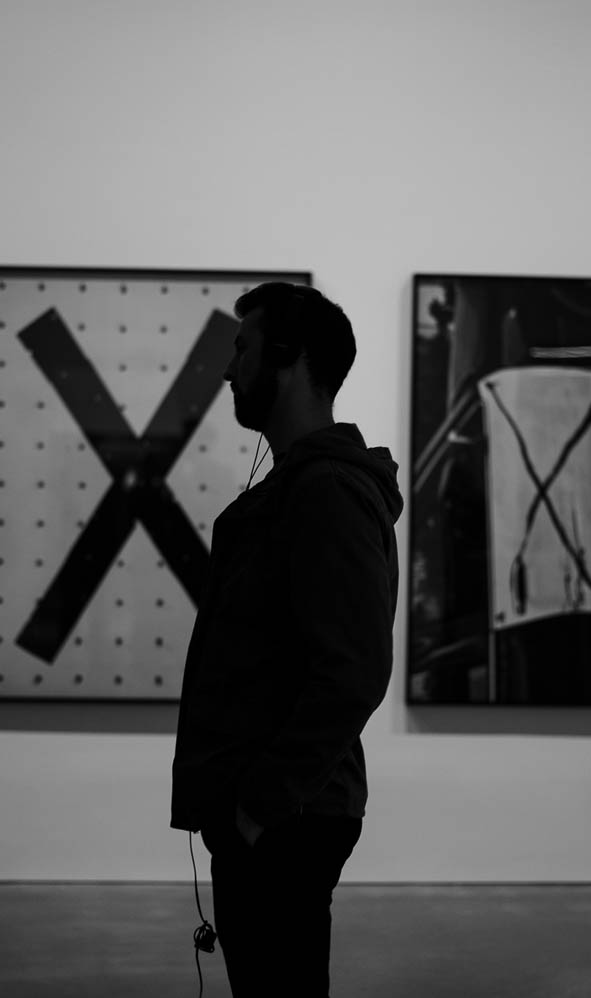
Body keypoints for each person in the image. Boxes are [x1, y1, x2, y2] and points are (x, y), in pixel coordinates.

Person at [171, 282, 402, 997]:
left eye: (243, 348)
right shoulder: (299, 488)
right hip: (278, 818)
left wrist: (257, 807)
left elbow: (355, 671)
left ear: (290, 357)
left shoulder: (325, 492)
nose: (230, 368)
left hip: (286, 824)